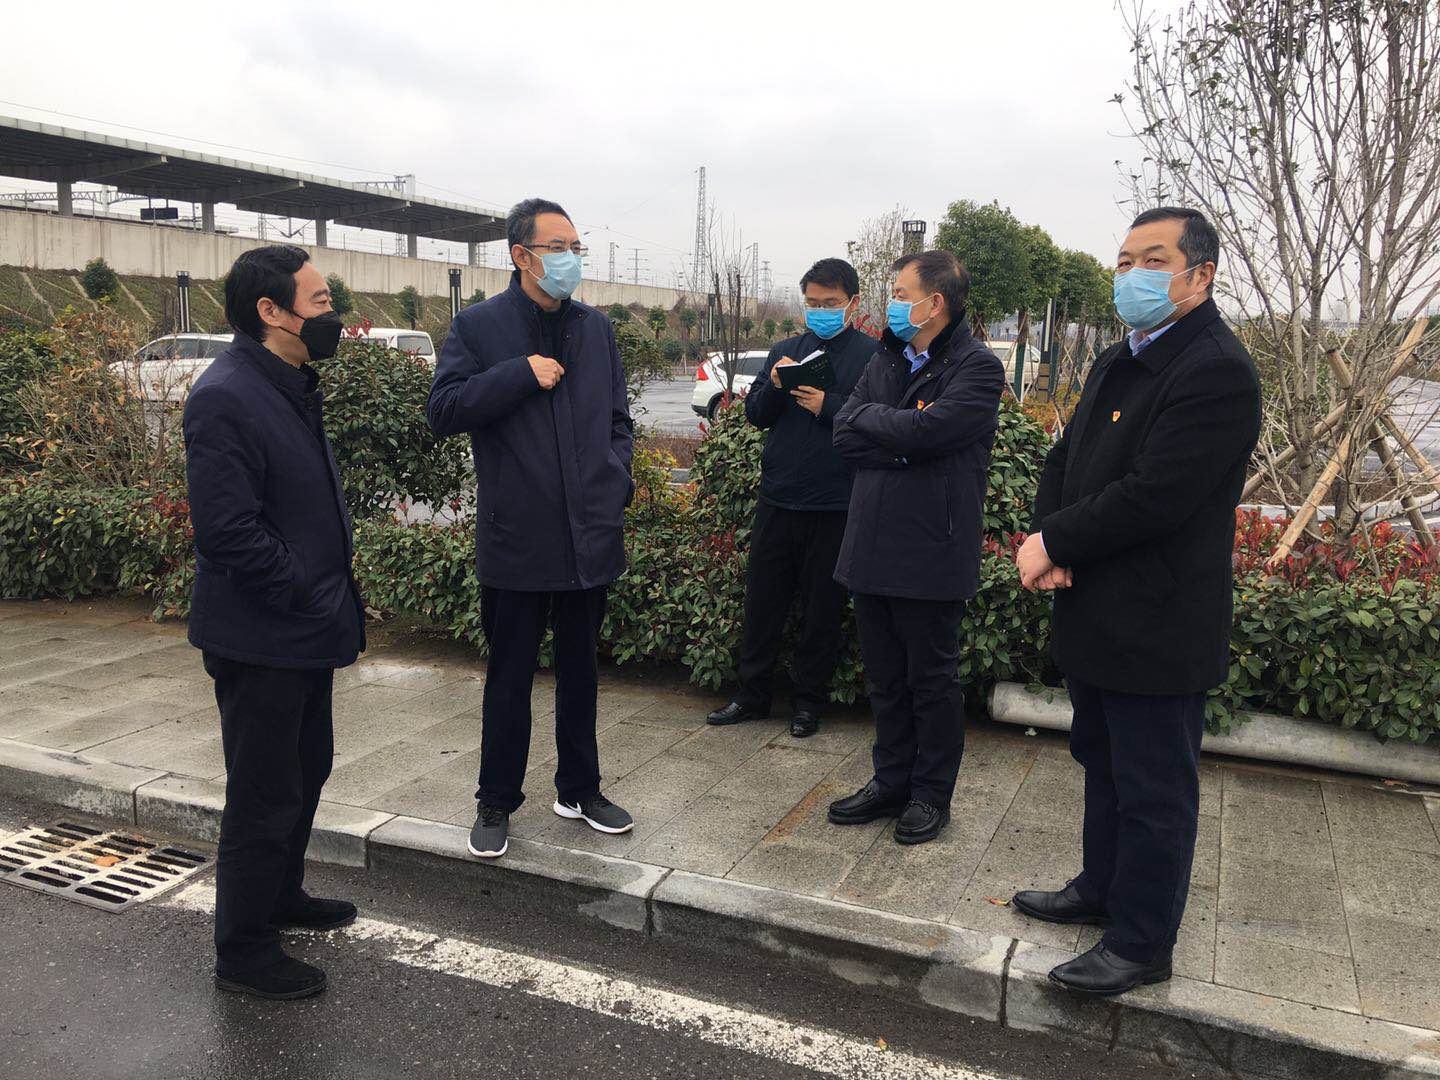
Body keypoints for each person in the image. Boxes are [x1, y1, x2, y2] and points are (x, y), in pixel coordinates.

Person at [1011, 207, 1261, 996]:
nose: (1132, 276)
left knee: (1155, 787)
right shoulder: (1121, 355)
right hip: (1096, 606)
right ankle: (1102, 887)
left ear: (1200, 274)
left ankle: (1143, 941)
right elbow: (1066, 455)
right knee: (1103, 760)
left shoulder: (1215, 370)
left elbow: (1156, 495)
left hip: (1159, 618)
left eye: (1152, 260)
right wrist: (1048, 536)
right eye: (1123, 261)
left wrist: (1057, 542)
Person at [184, 244, 367, 1000]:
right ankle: (245, 951)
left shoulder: (287, 383)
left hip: (305, 629)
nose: (333, 315)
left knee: (305, 770)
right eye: (321, 302)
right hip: (262, 635)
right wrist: (302, 587)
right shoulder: (226, 395)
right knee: (263, 794)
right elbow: (227, 532)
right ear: (271, 311)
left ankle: (281, 895)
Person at [428, 197, 635, 861]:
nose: (571, 259)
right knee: (510, 677)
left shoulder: (595, 329)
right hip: (517, 536)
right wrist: (517, 374)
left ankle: (580, 789)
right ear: (522, 255)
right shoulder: (479, 327)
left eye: (577, 247)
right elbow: (444, 409)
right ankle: (495, 800)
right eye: (558, 247)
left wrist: (616, 480)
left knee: (581, 672)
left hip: (589, 533)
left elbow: (618, 419)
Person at [826, 251, 1004, 845]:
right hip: (871, 542)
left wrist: (893, 431)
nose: (893, 304)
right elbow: (844, 432)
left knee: (931, 681)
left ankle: (930, 794)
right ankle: (890, 781)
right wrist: (903, 445)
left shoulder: (977, 367)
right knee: (884, 679)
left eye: (902, 294)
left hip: (932, 549)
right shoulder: (887, 356)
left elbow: (933, 431)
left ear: (936, 303)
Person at [704, 258, 876, 738]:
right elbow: (757, 414)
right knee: (763, 601)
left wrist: (828, 406)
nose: (820, 311)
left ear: (853, 303)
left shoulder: (871, 356)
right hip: (779, 498)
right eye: (812, 303)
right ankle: (752, 695)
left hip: (834, 503)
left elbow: (875, 419)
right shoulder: (785, 351)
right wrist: (778, 386)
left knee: (822, 608)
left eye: (830, 303)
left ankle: (808, 702)